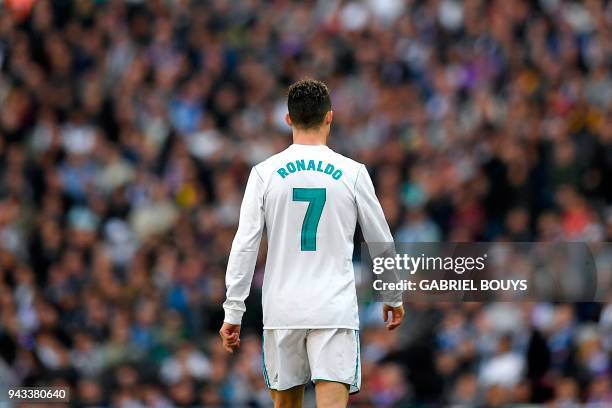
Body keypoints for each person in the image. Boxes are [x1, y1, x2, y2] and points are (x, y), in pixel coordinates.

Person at [219, 79, 405, 408]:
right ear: (329, 117)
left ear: (288, 119)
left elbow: (245, 244)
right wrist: (392, 294)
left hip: (282, 308)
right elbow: (380, 240)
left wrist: (234, 309)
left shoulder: (264, 173)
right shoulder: (353, 172)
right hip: (333, 308)